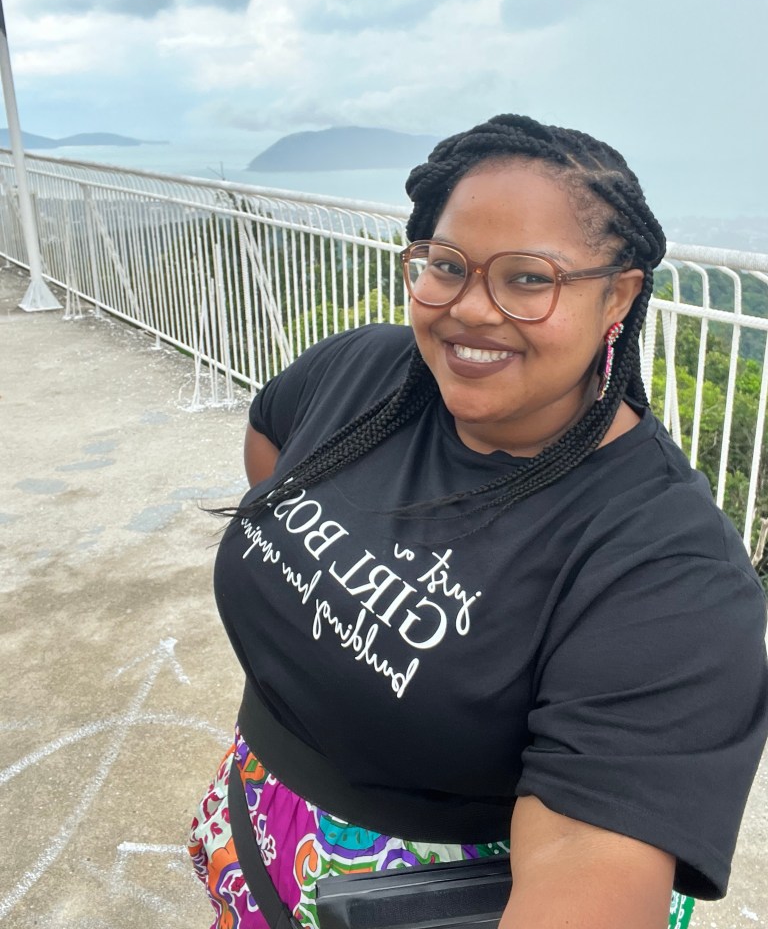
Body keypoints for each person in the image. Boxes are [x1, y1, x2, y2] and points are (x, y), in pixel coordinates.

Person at [188, 113, 768, 929]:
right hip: (253, 833)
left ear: (618, 295)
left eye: (527, 278)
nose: (471, 308)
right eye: (447, 265)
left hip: (419, 902)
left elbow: (586, 864)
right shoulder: (365, 373)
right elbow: (270, 440)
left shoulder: (670, 571)